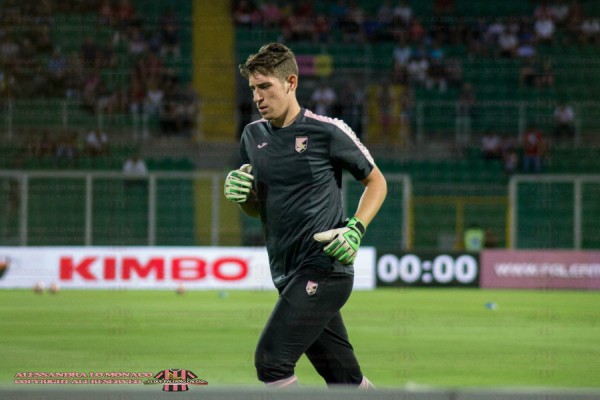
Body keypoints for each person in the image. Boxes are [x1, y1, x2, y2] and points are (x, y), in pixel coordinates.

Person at [224, 43, 387, 389]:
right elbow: (256, 207)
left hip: (325, 268)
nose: (257, 97)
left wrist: (355, 229)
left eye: (265, 86)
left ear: (291, 82)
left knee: (271, 361)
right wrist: (243, 199)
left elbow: (377, 182)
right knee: (344, 380)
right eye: (253, 88)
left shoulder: (327, 131)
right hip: (285, 272)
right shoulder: (252, 136)